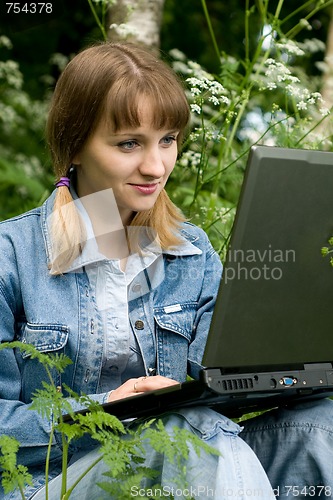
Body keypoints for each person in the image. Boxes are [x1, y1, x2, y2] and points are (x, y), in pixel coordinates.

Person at [0, 41, 330, 500]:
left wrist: (287, 363)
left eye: (168, 140)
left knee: (319, 425)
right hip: (52, 483)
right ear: (74, 145)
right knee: (185, 429)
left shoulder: (191, 251)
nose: (155, 166)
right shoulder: (11, 256)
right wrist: (108, 409)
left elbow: (218, 386)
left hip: (188, 463)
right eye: (129, 143)